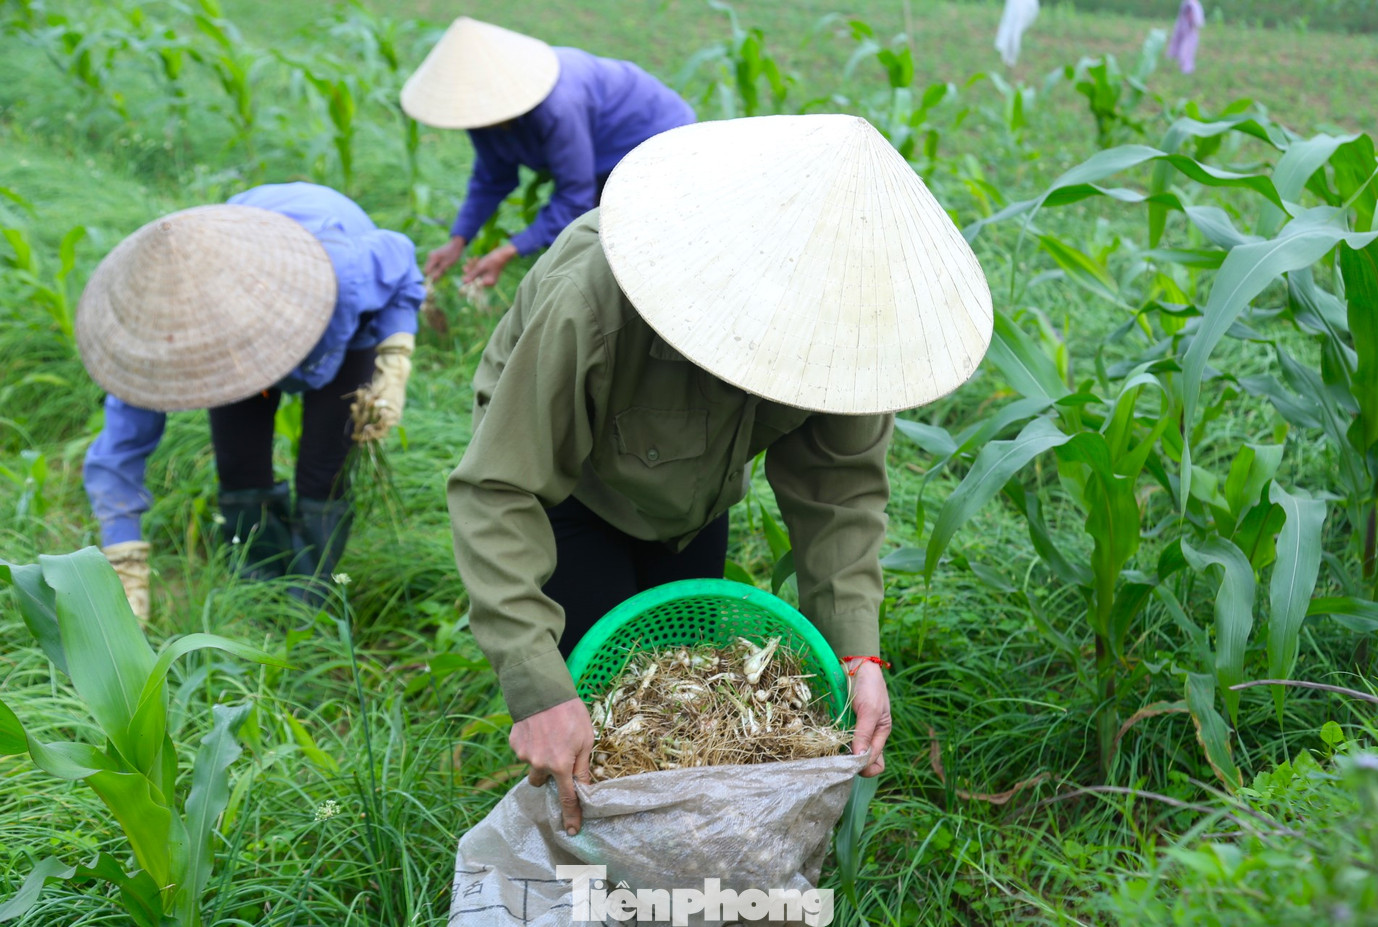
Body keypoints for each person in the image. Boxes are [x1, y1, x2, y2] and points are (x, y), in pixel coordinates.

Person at [446, 114, 995, 835]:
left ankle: (689, 875)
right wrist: (536, 685)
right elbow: (501, 486)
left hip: (694, 499)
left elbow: (840, 491)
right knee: (597, 720)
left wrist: (858, 649)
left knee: (675, 699)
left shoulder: (855, 334)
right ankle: (600, 872)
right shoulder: (594, 299)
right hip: (567, 486)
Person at [78, 182, 426, 619]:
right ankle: (257, 593)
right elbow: (118, 452)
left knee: (325, 470)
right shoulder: (153, 341)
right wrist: (124, 559)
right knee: (241, 466)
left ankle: (308, 604)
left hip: (333, 314)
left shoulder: (342, 268)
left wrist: (395, 363)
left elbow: (402, 265)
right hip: (231, 299)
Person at [399, 17, 696, 287]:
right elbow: (492, 177)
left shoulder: (557, 107)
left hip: (655, 137)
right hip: (598, 149)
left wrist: (510, 250)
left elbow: (573, 196)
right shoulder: (480, 117)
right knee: (593, 238)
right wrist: (458, 239)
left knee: (624, 241)